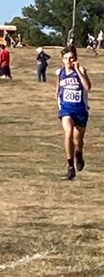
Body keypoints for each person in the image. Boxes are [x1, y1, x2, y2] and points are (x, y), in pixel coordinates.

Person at [56, 45, 92, 180]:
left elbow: (87, 87)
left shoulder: (80, 70)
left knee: (78, 140)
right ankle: (70, 167)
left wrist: (78, 70)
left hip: (80, 110)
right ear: (62, 60)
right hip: (66, 109)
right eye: (65, 58)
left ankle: (79, 153)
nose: (68, 61)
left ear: (75, 58)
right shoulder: (60, 72)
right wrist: (59, 105)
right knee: (68, 133)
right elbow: (57, 90)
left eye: (71, 58)